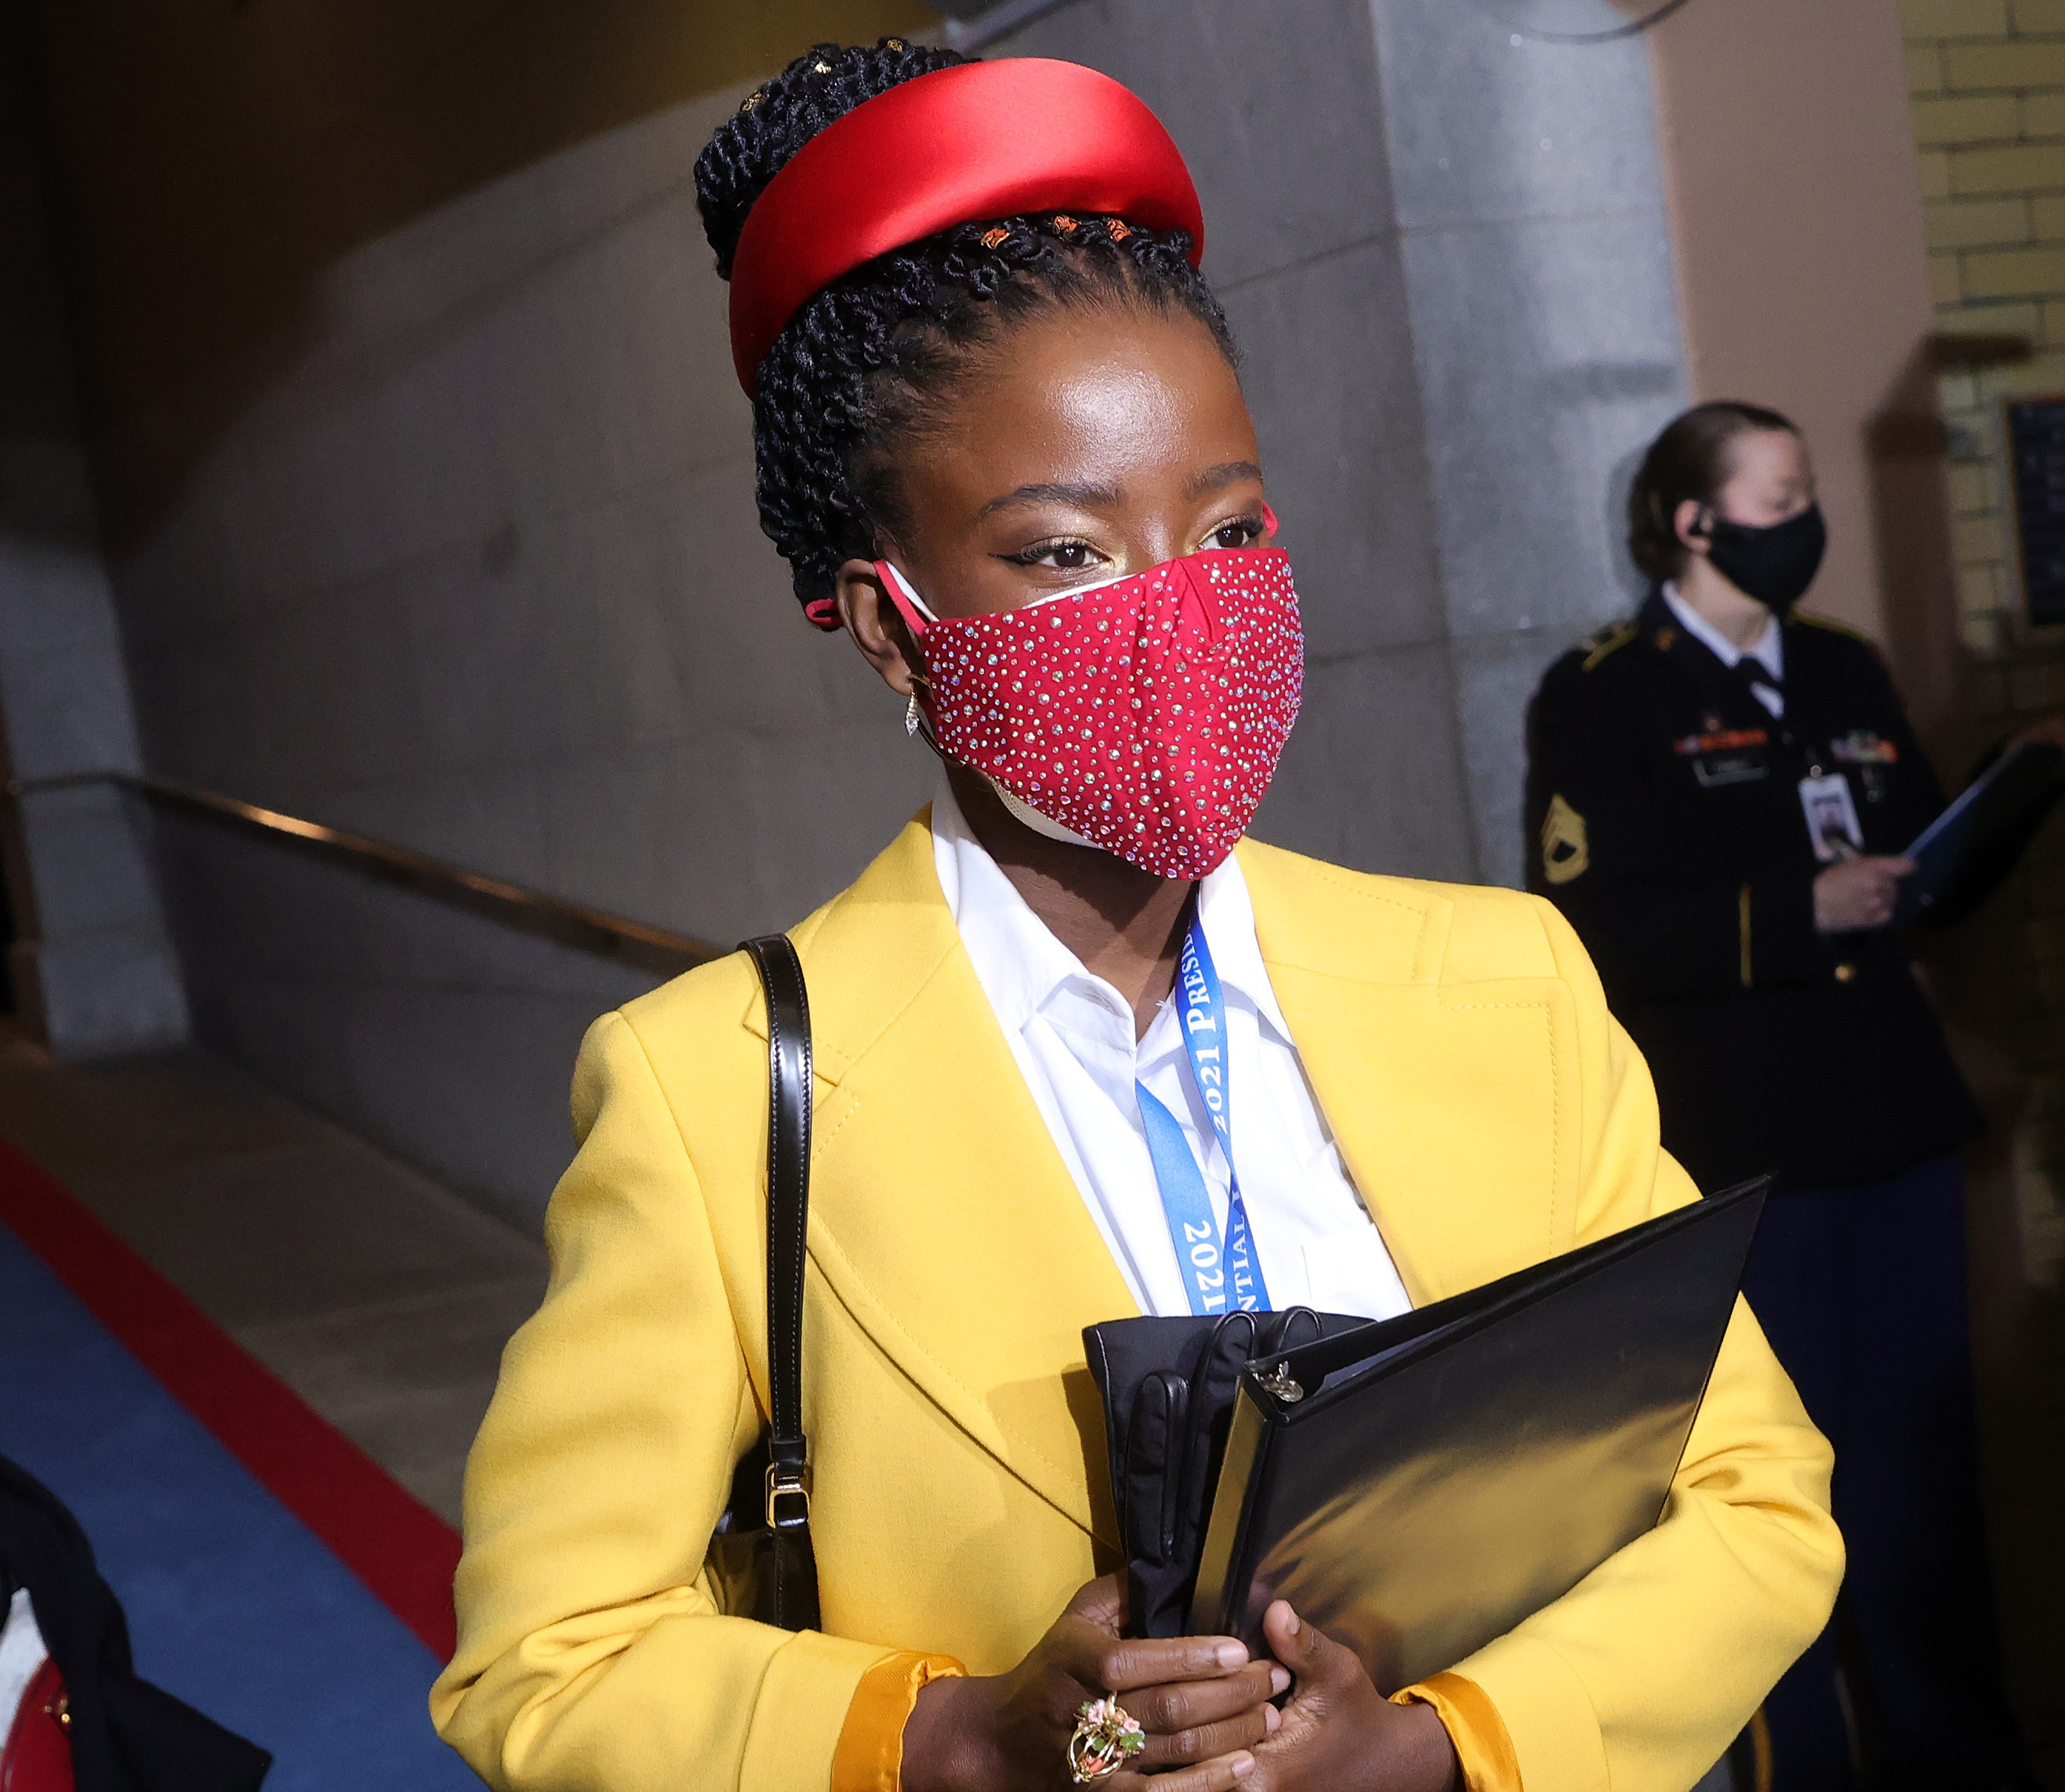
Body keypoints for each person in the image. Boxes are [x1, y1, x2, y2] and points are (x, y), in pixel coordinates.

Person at [432, 47, 1841, 1792]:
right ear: (889, 623)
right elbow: (548, 1661)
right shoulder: (711, 1096)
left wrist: (1441, 1751)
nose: (1178, 611)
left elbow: (1754, 1490)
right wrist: (965, 1736)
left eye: (1231, 527)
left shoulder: (1503, 981)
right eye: (1065, 553)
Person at [1525, 402, 2065, 1791]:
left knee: (1922, 1490)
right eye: (1780, 495)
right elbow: (1590, 928)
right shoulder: (1605, 691)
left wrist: (2016, 797)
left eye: (1811, 488)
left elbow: (1929, 871)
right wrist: (1791, 908)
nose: (1804, 519)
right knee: (1770, 1506)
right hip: (1741, 1153)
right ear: (1696, 521)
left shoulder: (1841, 668)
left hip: (1888, 1128)